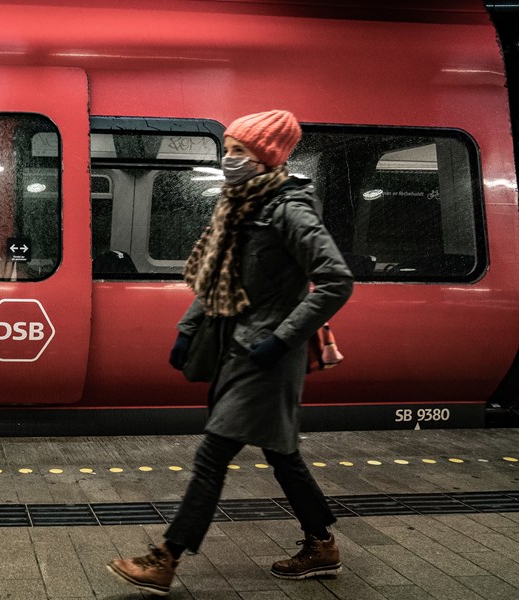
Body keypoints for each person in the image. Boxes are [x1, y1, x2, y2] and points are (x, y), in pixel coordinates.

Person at [107, 110, 354, 596]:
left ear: (267, 157)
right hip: (234, 347)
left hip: (265, 356)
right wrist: (188, 327)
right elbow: (220, 276)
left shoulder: (288, 208)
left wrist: (282, 339)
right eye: (228, 149)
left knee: (213, 453)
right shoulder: (238, 205)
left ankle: (166, 558)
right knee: (282, 453)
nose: (229, 159)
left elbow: (335, 281)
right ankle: (321, 544)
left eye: (240, 151)